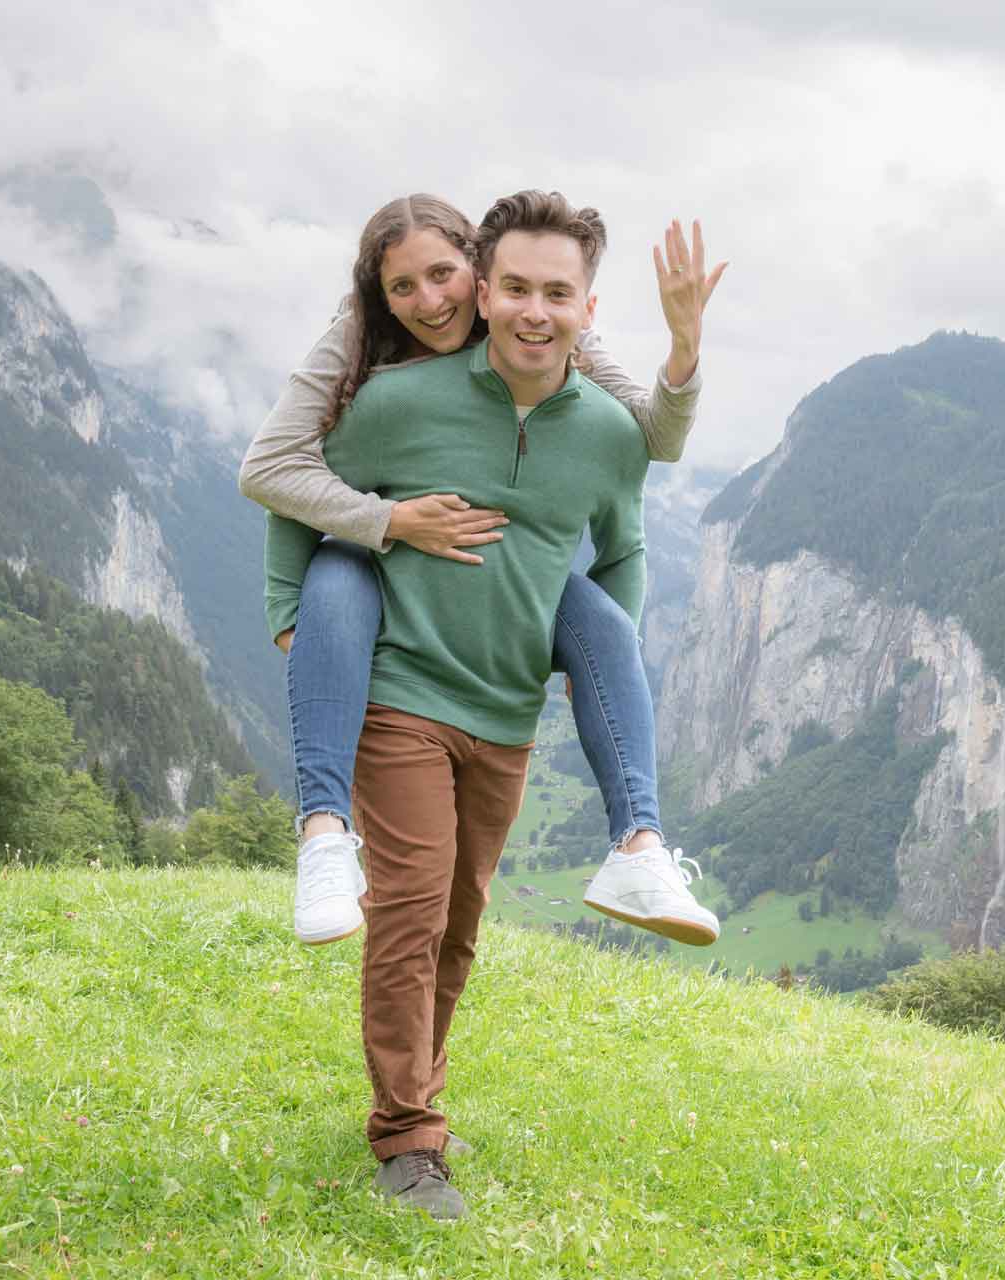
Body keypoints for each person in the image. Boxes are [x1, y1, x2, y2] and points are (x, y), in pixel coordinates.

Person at [263, 190, 689, 1218]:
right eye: (516, 288)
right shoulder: (396, 399)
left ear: (590, 308)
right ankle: (408, 1138)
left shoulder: (607, 433)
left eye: (559, 293)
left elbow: (622, 551)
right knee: (409, 911)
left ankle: (421, 1095)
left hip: (501, 709)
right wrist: (294, 605)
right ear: (487, 290)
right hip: (400, 689)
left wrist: (572, 658)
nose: (534, 309)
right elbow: (291, 483)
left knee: (458, 923)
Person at [239, 193, 725, 950]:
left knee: (600, 617)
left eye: (444, 275)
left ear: (477, 272)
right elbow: (282, 474)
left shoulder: (539, 331)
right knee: (335, 568)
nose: (430, 301)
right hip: (375, 560)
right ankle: (324, 838)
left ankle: (639, 848)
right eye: (403, 287)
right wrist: (316, 584)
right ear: (380, 295)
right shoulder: (359, 347)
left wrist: (685, 347)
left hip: (507, 597)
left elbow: (650, 441)